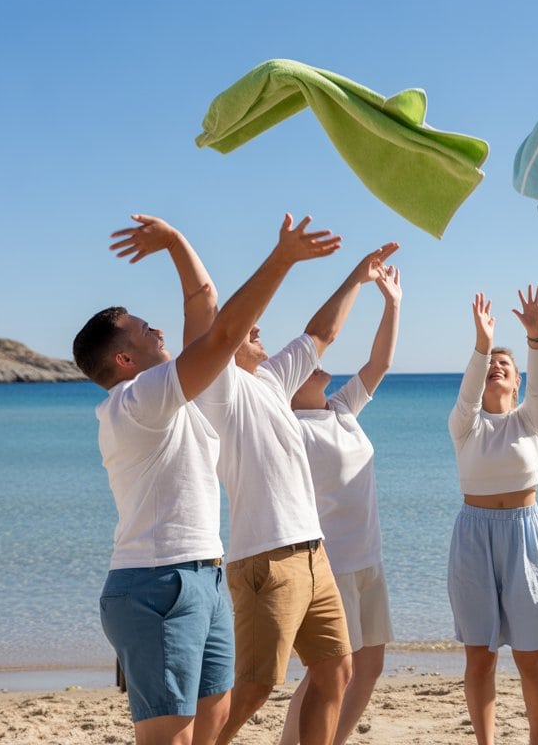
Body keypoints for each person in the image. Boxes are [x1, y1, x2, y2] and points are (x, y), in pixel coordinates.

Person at [73, 213, 340, 745]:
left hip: (205, 576)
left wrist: (175, 241)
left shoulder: (178, 395)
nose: (160, 329)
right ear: (124, 359)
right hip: (155, 584)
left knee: (214, 724)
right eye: (145, 329)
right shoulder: (135, 401)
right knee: (169, 737)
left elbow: (204, 303)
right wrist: (282, 258)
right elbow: (221, 332)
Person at [197, 242, 400, 745]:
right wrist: (281, 259)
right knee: (254, 689)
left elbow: (322, 332)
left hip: (315, 556)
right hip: (267, 560)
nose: (260, 330)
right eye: (249, 328)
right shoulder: (220, 389)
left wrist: (359, 275)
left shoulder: (272, 381)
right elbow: (218, 324)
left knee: (338, 672)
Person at [277, 263, 402, 745]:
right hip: (331, 566)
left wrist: (392, 303)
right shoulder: (290, 428)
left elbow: (381, 363)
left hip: (368, 558)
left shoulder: (341, 407)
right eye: (305, 359)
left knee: (369, 666)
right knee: (327, 673)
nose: (319, 358)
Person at [447, 286, 538, 745]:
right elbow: (469, 394)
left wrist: (535, 341)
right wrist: (481, 344)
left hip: (524, 536)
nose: (496, 367)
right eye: (491, 364)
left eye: (503, 366)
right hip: (474, 537)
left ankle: (536, 738)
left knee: (530, 654)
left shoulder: (531, 421)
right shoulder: (464, 425)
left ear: (515, 383)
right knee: (480, 656)